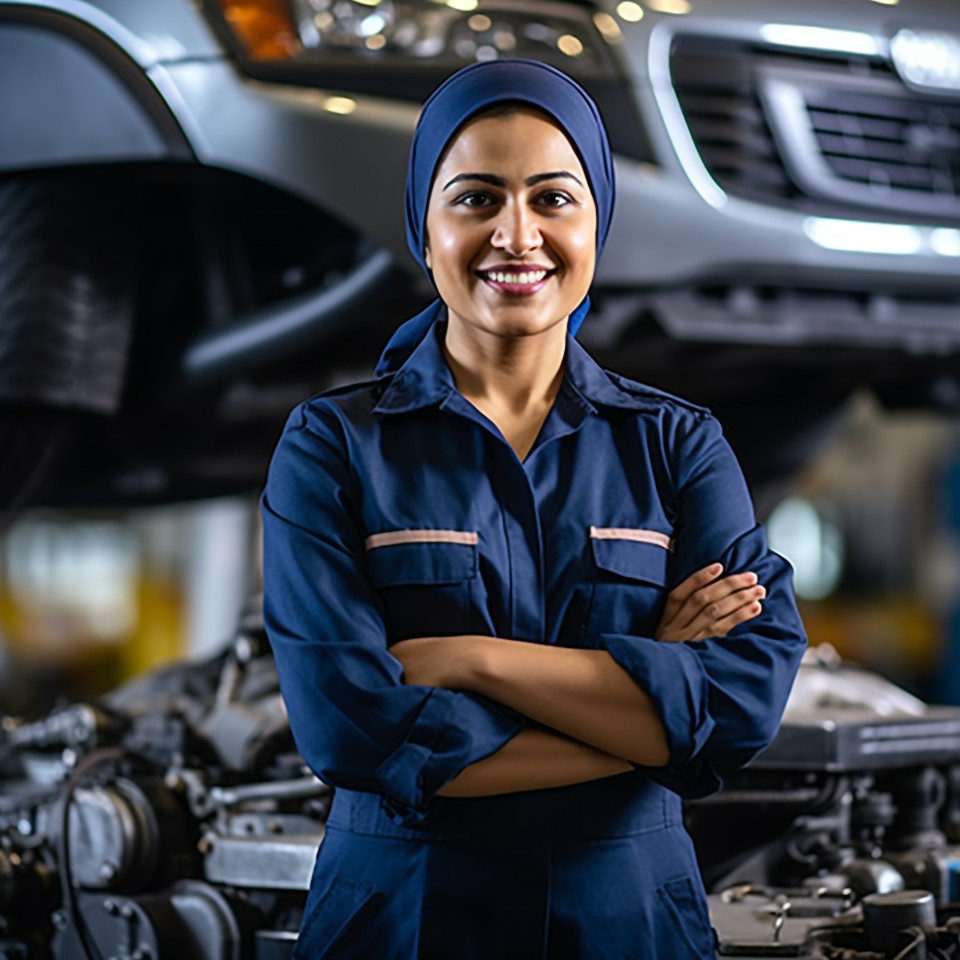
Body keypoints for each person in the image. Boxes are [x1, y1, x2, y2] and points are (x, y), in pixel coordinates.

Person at [260, 59, 807, 960]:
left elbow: (743, 700)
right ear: (423, 229)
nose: (518, 235)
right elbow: (351, 728)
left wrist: (470, 660)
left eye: (554, 199)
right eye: (476, 198)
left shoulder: (676, 445)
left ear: (597, 225)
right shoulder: (332, 446)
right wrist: (659, 715)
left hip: (629, 923)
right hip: (406, 920)